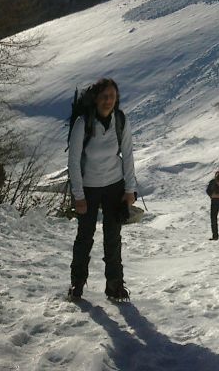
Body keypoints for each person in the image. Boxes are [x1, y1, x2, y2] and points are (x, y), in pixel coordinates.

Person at [67, 78, 137, 302]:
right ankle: (77, 283)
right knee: (84, 237)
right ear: (96, 98)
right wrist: (78, 196)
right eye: (105, 96)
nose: (109, 100)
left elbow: (128, 154)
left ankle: (115, 285)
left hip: (114, 186)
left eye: (112, 96)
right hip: (89, 188)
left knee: (113, 238)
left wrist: (130, 189)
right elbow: (74, 161)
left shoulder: (120, 120)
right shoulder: (83, 123)